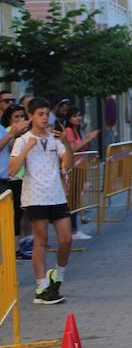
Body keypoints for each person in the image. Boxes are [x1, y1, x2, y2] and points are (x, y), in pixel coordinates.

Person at [10, 97, 74, 305]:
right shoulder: (22, 140)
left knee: (66, 239)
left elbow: (69, 163)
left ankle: (57, 276)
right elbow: (12, 170)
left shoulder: (55, 138)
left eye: (47, 114)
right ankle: (41, 287)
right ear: (31, 117)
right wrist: (27, 148)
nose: (45, 118)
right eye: (40, 114)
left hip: (56, 195)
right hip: (35, 196)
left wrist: (65, 142)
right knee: (41, 241)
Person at [0, 101, 32, 259]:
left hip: (11, 178)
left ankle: (20, 246)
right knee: (12, 216)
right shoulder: (8, 131)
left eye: (22, 116)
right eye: (16, 117)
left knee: (20, 214)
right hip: (8, 179)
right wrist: (13, 134)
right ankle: (13, 250)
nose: (20, 119)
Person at [63, 107, 100, 241]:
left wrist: (88, 140)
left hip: (81, 167)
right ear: (68, 118)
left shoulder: (78, 130)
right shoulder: (68, 131)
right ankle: (73, 230)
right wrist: (88, 139)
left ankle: (74, 228)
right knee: (73, 199)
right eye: (74, 116)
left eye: (79, 115)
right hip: (74, 168)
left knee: (76, 199)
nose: (78, 118)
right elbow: (72, 149)